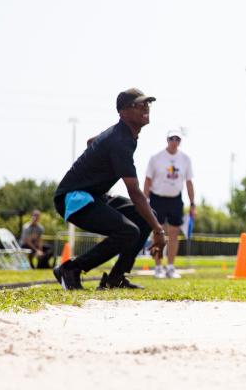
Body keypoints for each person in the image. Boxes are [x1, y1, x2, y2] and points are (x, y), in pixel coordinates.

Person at [52, 88, 166, 291]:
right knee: (129, 230)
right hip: (73, 198)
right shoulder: (120, 141)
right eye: (139, 104)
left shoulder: (123, 135)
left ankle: (115, 278)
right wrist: (158, 230)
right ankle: (70, 269)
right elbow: (135, 192)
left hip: (94, 195)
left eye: (147, 103)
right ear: (123, 112)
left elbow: (91, 141)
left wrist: (95, 160)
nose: (145, 107)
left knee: (146, 216)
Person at [144, 129, 196, 279]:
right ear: (167, 140)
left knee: (174, 233)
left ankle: (171, 267)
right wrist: (145, 200)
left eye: (177, 139)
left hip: (175, 199)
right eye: (172, 139)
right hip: (157, 198)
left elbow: (189, 181)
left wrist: (192, 203)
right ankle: (158, 267)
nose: (174, 142)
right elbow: (148, 180)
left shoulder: (185, 159)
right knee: (157, 233)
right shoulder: (156, 158)